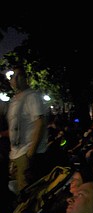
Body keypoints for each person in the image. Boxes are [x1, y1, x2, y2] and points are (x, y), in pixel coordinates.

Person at [7, 64, 49, 194]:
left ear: (26, 79)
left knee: (27, 191)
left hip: (27, 152)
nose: (16, 79)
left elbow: (39, 123)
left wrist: (30, 153)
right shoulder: (14, 100)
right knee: (16, 187)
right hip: (16, 152)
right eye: (13, 76)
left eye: (20, 76)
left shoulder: (32, 96)